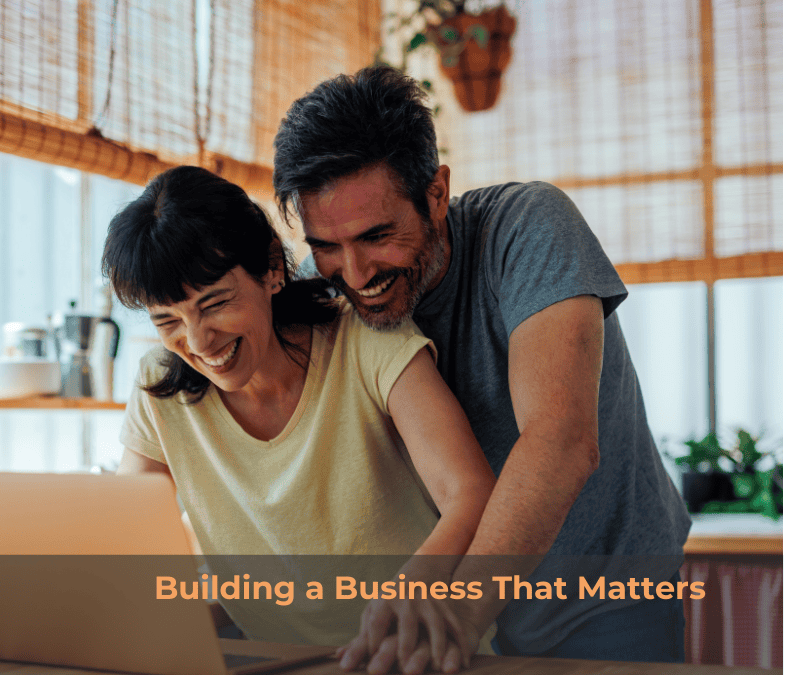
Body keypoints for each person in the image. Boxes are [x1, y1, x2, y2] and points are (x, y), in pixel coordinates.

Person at [272, 64, 692, 671]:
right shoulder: (324, 293)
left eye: (378, 236)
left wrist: (463, 607)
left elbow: (562, 439)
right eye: (326, 246)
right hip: (464, 617)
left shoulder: (528, 227)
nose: (356, 274)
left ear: (437, 194)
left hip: (608, 603)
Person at [103, 165, 496, 661]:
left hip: (415, 655)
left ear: (271, 269)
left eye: (216, 303)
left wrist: (415, 591)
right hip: (279, 663)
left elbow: (471, 492)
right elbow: (125, 541)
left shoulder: (366, 339)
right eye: (168, 320)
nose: (198, 342)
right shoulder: (160, 387)